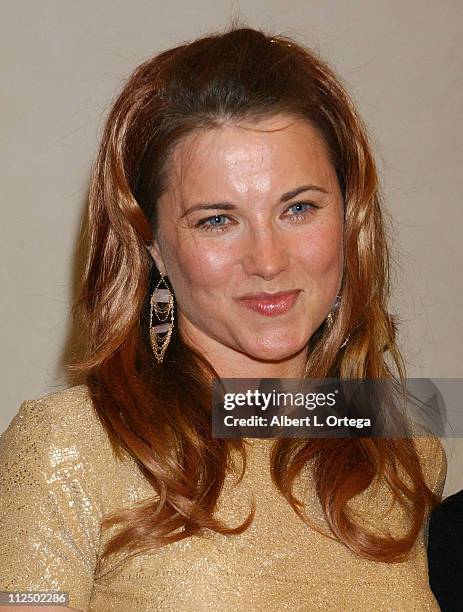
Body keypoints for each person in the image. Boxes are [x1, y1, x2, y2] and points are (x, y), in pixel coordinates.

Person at [0, 23, 447, 611]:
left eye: (299, 208)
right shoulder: (69, 447)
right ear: (152, 244)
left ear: (350, 215)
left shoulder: (402, 447)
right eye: (217, 220)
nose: (267, 260)